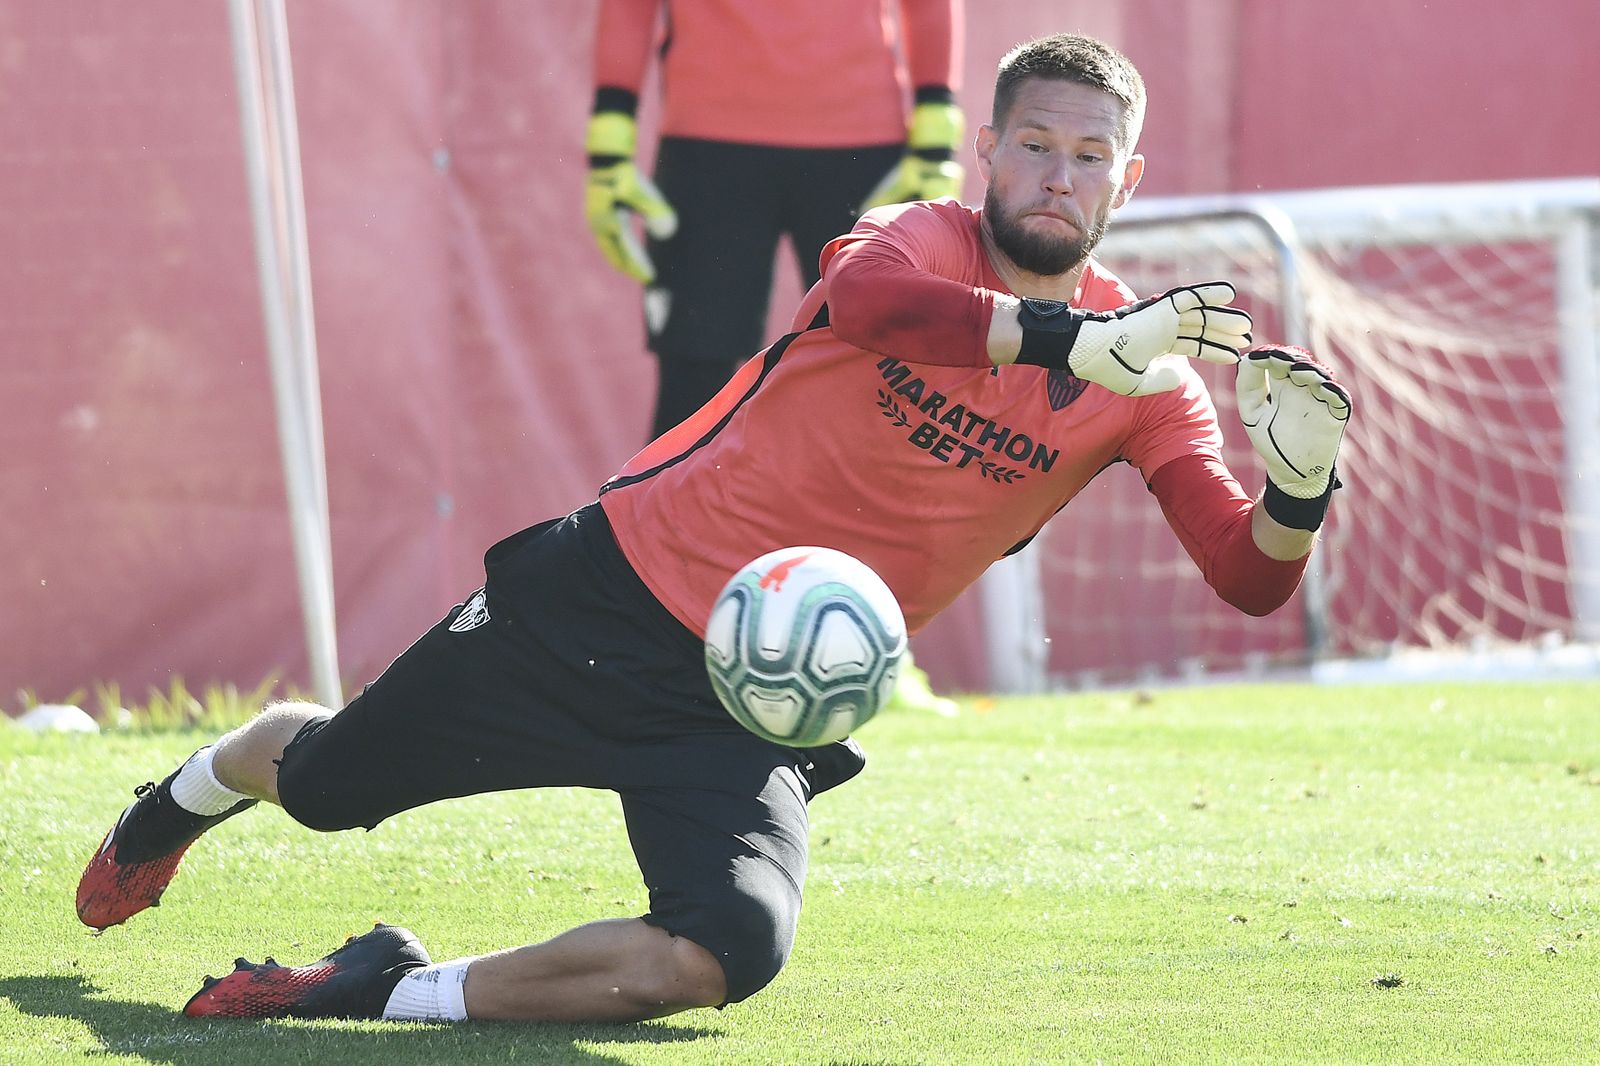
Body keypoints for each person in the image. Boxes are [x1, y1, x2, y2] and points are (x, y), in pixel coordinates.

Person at [76, 34, 1351, 1024]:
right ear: (986, 150)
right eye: (1032, 144)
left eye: (1087, 155)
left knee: (721, 955)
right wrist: (1069, 337)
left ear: (1128, 177)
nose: (1056, 176)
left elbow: (1245, 577)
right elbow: (868, 302)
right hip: (605, 596)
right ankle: (176, 802)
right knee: (321, 785)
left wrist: (1295, 492)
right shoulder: (925, 237)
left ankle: (385, 984)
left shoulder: (1151, 384)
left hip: (754, 696)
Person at [584, 0, 966, 716]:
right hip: (709, 145)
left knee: (885, 390)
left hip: (862, 142)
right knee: (694, 390)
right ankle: (646, 644)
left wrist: (934, 123)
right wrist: (608, 144)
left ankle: (878, 638)